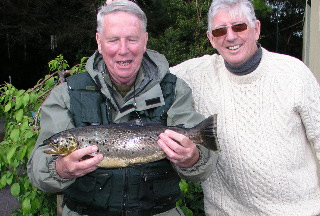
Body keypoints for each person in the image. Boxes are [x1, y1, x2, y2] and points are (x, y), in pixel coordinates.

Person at [27, 1, 216, 216]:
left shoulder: (174, 90)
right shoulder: (67, 94)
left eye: (132, 39)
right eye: (113, 40)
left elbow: (204, 163)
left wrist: (192, 158)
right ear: (99, 42)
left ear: (145, 41)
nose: (123, 50)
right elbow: (37, 171)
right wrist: (61, 169)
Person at [170, 0, 320, 215]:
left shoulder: (294, 73)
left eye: (239, 26)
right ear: (211, 38)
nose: (230, 36)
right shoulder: (195, 75)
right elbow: (144, 69)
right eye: (220, 30)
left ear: (256, 29)